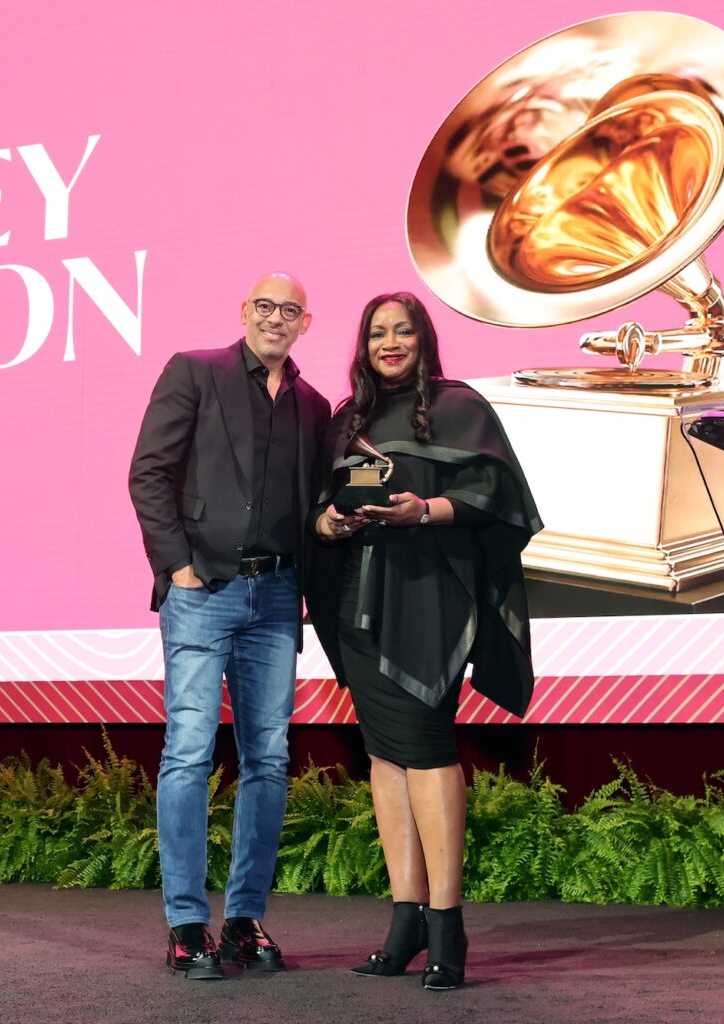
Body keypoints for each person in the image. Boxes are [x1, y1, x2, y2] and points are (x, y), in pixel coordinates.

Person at [307, 291, 541, 991]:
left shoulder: (460, 406)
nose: (389, 342)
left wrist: (425, 510)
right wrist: (331, 524)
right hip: (356, 601)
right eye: (377, 332)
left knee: (428, 749)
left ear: (423, 339)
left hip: (430, 598)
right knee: (384, 756)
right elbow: (317, 508)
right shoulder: (345, 420)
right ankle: (405, 920)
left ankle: (447, 925)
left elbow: (503, 501)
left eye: (402, 330)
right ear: (362, 345)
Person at [128, 272, 331, 980]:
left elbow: (313, 504)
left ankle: (244, 921)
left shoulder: (313, 405)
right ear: (245, 312)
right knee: (188, 753)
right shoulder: (194, 371)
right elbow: (149, 473)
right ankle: (187, 925)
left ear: (305, 323)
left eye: (290, 310)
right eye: (265, 306)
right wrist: (177, 566)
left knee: (268, 758)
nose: (276, 318)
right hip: (202, 591)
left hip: (276, 596)